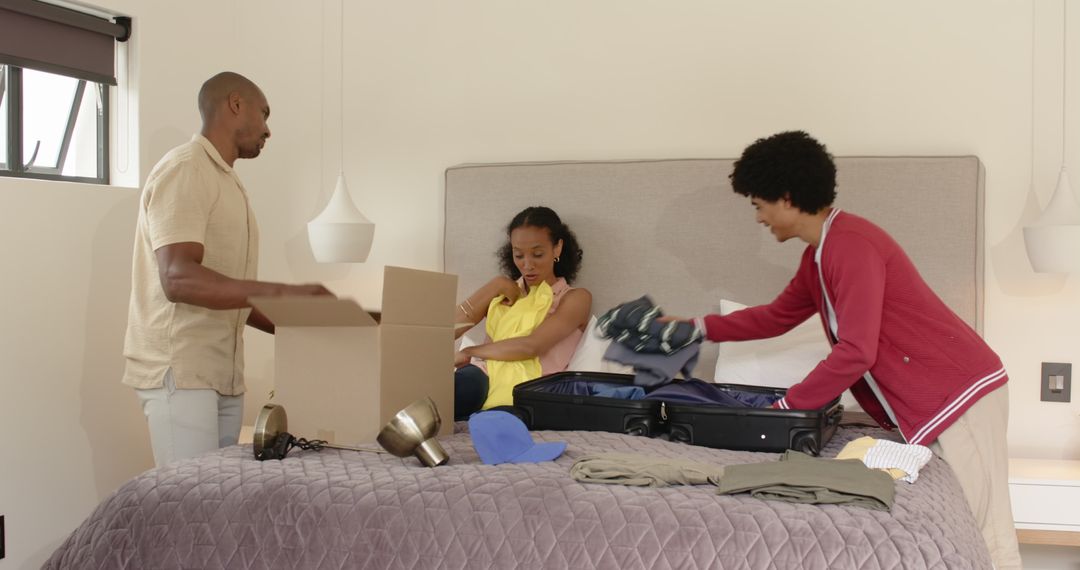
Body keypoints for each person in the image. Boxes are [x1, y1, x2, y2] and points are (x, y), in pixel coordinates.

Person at [679, 131, 1021, 569]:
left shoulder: (851, 246)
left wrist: (788, 406)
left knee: (987, 538)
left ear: (785, 198)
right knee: (970, 535)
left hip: (961, 393)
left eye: (758, 204)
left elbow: (857, 351)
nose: (759, 218)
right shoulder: (819, 256)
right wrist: (694, 328)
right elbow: (775, 317)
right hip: (939, 398)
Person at [122, 71, 334, 467]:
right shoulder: (186, 168)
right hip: (182, 370)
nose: (268, 130)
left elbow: (235, 296)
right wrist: (285, 293)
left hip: (222, 374)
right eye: (265, 114)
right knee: (190, 504)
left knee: (218, 505)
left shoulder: (227, 183)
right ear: (236, 104)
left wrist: (308, 323)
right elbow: (178, 278)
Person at [453, 206, 592, 420]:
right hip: (484, 375)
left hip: (531, 387)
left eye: (537, 254)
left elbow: (532, 346)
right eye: (518, 255)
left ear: (557, 248)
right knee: (441, 399)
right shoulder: (502, 293)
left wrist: (471, 352)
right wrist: (494, 285)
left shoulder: (575, 298)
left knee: (497, 422)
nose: (527, 265)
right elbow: (444, 330)